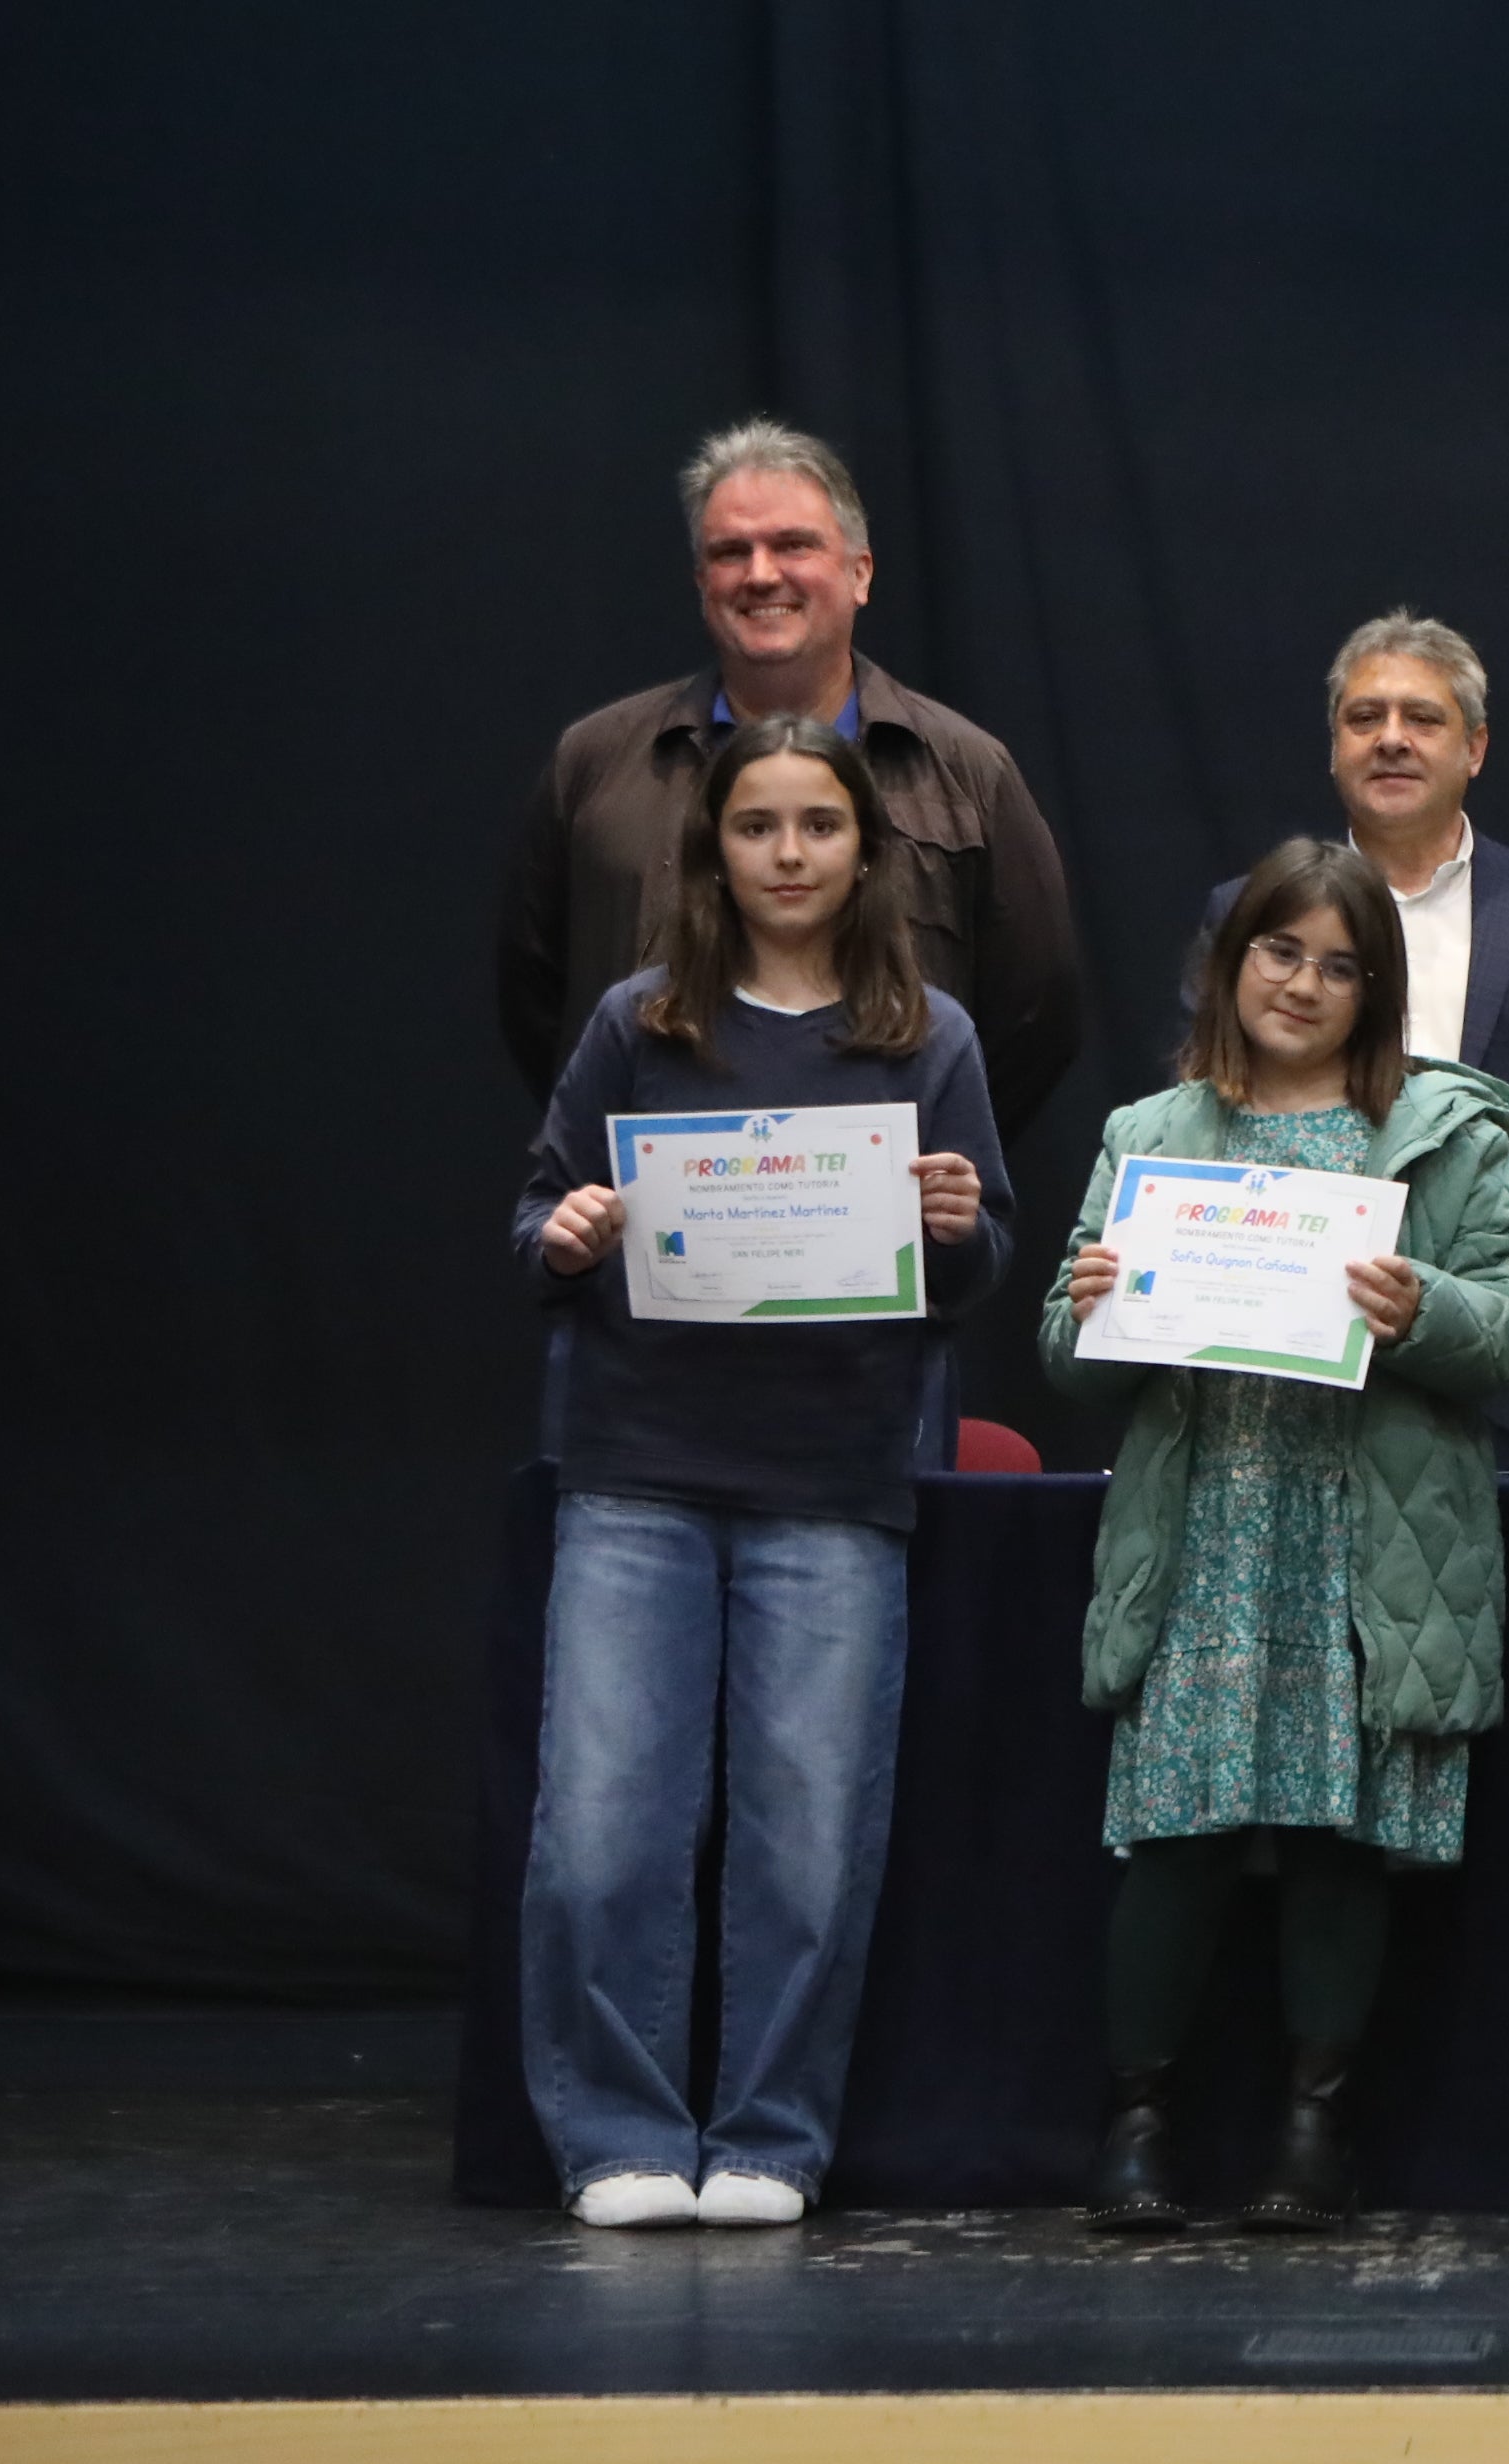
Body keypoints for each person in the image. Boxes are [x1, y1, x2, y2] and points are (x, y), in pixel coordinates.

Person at [510, 716, 1012, 2229]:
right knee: (603, 1835)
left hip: (834, 1478)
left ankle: (772, 2139)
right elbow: (535, 1218)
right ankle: (618, 2139)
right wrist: (568, 1236)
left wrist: (951, 1226)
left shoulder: (930, 1038)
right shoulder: (636, 1022)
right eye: (757, 826)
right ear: (713, 848)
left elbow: (986, 1258)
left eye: (818, 825)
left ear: (865, 849)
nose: (788, 853)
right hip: (637, 1469)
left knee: (807, 1843)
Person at [1050, 842, 1509, 2233]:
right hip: (1205, 1525)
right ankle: (1138, 2123)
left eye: (1341, 966)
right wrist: (1091, 1304)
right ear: (1232, 963)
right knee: (1177, 1833)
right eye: (1282, 953)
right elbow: (1063, 1357)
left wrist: (1422, 1310)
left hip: (1368, 1533)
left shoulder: (1443, 1136)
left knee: (1342, 1841)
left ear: (1376, 991)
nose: (1306, 985)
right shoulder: (1149, 1136)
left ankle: (1312, 2134)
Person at [501, 420, 1084, 1129]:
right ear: (699, 581)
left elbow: (1038, 1007)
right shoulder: (594, 764)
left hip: (885, 1217)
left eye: (793, 545)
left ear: (859, 573)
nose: (760, 574)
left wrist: (931, 1142)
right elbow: (534, 996)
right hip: (658, 1219)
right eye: (729, 552)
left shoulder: (967, 771)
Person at [1206, 611, 1509, 1467]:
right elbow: (1208, 1109)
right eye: (1365, 718)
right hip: (1293, 1346)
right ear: (1334, 747)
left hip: (1505, 1373)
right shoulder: (1249, 916)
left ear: (1475, 748)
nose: (1391, 739)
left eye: (1422, 719)